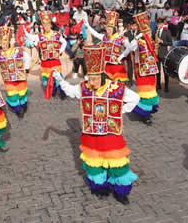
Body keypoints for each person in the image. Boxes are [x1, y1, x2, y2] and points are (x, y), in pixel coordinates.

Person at [58, 45, 140, 205]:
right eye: (89, 78)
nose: (91, 82)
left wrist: (120, 111)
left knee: (117, 163)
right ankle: (100, 187)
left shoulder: (115, 88)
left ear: (102, 77)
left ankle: (121, 191)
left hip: (110, 135)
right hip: (92, 136)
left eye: (94, 79)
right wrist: (60, 80)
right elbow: (71, 91)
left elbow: (135, 98)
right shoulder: (85, 88)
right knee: (94, 163)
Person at [26, 11, 67, 98]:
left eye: (48, 25)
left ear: (50, 25)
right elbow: (31, 37)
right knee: (47, 77)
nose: (46, 27)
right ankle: (52, 89)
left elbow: (64, 42)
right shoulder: (40, 36)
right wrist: (24, 31)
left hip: (55, 60)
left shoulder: (56, 34)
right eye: (45, 25)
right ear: (43, 26)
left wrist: (60, 51)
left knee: (58, 76)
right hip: (45, 62)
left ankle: (62, 90)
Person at [85, 11, 134, 83]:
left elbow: (129, 48)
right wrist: (88, 26)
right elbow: (95, 34)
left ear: (113, 30)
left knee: (117, 84)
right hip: (106, 65)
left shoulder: (119, 38)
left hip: (116, 65)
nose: (108, 31)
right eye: (107, 29)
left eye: (109, 29)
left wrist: (121, 57)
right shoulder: (104, 37)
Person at [0, 25, 31, 117]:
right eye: (2, 44)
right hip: (9, 80)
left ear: (9, 42)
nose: (4, 45)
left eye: (5, 43)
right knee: (12, 94)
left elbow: (28, 57)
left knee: (22, 93)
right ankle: (18, 109)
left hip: (20, 78)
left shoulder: (17, 51)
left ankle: (23, 106)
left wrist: (26, 69)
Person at [128, 13, 159, 124]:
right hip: (142, 71)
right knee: (145, 92)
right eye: (147, 33)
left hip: (151, 71)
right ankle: (145, 114)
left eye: (150, 32)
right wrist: (137, 37)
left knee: (152, 91)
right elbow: (131, 47)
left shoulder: (152, 42)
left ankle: (149, 109)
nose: (149, 34)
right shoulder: (139, 42)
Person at [154, 17, 173, 92]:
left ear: (162, 24)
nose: (158, 25)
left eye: (160, 24)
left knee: (165, 71)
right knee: (157, 71)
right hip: (156, 53)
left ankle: (166, 86)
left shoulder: (167, 32)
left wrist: (162, 41)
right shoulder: (155, 31)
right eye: (157, 24)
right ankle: (158, 85)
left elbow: (170, 43)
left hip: (164, 53)